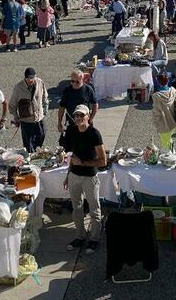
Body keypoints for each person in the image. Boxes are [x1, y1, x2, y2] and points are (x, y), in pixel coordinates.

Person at [61, 104, 106, 255]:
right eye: (76, 116)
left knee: (94, 209)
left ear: (88, 116)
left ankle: (94, 239)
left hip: (90, 177)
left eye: (82, 115)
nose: (79, 118)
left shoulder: (94, 133)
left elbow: (103, 161)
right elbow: (72, 156)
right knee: (77, 209)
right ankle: (79, 236)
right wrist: (68, 175)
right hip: (74, 175)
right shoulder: (72, 131)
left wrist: (84, 163)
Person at [9, 67, 48, 152]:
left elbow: (45, 96)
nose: (30, 80)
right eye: (27, 78)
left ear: (35, 76)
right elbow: (12, 105)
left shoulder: (40, 82)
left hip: (39, 117)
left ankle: (36, 151)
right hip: (26, 120)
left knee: (42, 134)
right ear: (25, 77)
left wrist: (45, 110)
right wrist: (16, 118)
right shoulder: (18, 88)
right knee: (28, 144)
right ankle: (31, 158)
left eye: (32, 78)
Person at [150, 72, 176, 149]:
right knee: (169, 139)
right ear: (167, 81)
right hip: (173, 120)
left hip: (163, 123)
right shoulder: (173, 91)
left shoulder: (156, 96)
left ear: (158, 82)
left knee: (165, 143)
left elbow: (156, 112)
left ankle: (170, 157)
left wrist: (156, 124)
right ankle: (172, 152)